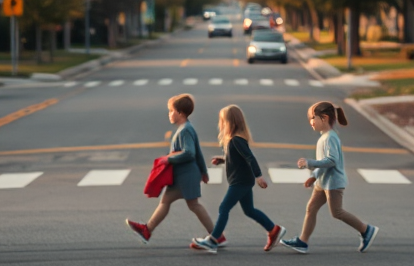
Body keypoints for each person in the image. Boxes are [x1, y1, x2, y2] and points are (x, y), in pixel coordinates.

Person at [281, 101, 378, 254]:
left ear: (324, 118)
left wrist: (309, 163)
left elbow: (331, 161)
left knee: (337, 212)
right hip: (323, 181)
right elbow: (323, 163)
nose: (310, 122)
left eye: (313, 118)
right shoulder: (324, 137)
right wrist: (314, 176)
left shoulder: (329, 138)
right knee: (311, 208)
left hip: (333, 183)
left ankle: (366, 230)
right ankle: (302, 242)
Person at [126, 94, 222, 246]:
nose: (169, 114)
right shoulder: (186, 128)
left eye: (171, 111)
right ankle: (147, 230)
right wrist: (204, 172)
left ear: (181, 113)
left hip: (187, 175)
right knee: (168, 201)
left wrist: (168, 159)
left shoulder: (185, 130)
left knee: (193, 205)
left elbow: (190, 153)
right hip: (182, 175)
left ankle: (217, 235)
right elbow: (198, 151)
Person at [191, 105, 284, 254]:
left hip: (240, 181)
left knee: (224, 208)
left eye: (222, 121)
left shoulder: (236, 140)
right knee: (249, 210)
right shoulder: (233, 140)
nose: (220, 124)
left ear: (230, 122)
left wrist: (259, 175)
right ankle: (273, 230)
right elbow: (237, 158)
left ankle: (213, 240)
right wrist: (223, 160)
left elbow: (249, 157)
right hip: (242, 180)